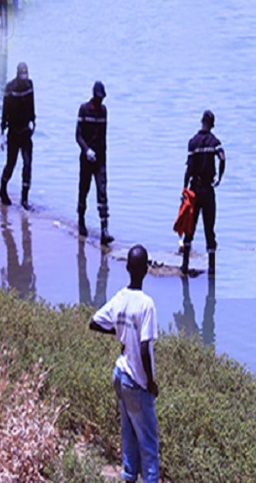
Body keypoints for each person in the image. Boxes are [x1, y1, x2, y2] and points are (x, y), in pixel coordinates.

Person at [89, 244, 160, 483]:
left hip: (120, 374)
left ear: (128, 267)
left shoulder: (120, 297)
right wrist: (150, 383)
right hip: (137, 382)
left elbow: (94, 322)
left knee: (128, 435)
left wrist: (120, 334)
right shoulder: (147, 304)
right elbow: (144, 348)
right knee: (149, 444)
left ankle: (129, 477)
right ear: (146, 270)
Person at [181, 110, 226, 276]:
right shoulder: (214, 142)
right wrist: (219, 178)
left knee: (190, 227)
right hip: (208, 190)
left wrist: (184, 188)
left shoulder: (193, 142)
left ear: (201, 122)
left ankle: (185, 265)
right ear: (212, 124)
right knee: (209, 229)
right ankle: (212, 269)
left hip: (194, 190)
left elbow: (189, 169)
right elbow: (222, 157)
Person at [76, 80, 113, 245]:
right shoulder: (84, 109)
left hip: (100, 159)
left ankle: (104, 230)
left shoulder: (104, 111)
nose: (100, 101)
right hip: (86, 158)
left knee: (102, 192)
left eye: (102, 98)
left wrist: (103, 160)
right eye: (98, 98)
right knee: (84, 189)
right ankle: (81, 220)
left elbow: (104, 137)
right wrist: (86, 150)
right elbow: (78, 135)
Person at [0, 62, 35, 209]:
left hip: (26, 132)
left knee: (27, 164)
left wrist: (33, 120)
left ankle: (24, 198)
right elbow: (4, 111)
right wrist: (2, 132)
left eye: (26, 74)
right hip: (13, 132)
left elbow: (32, 104)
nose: (24, 77)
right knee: (11, 164)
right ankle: (3, 189)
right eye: (22, 74)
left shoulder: (29, 86)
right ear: (17, 74)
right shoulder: (10, 88)